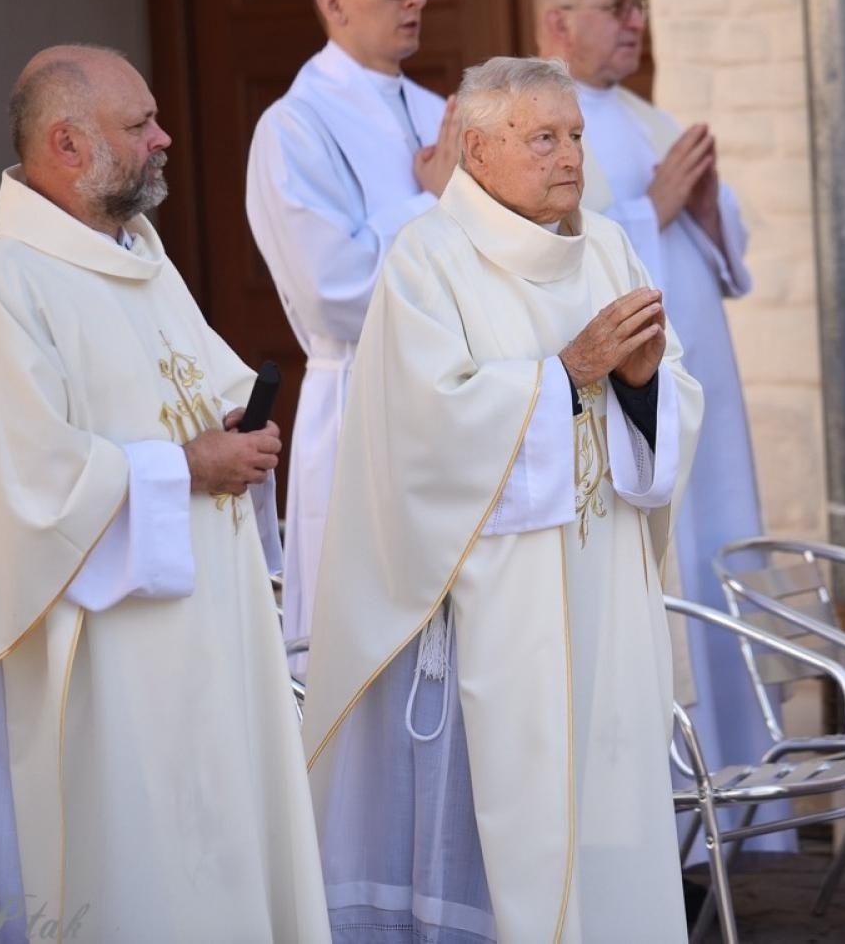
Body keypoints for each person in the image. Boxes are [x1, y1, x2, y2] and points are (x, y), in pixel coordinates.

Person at [0, 45, 330, 943]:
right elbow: (28, 492)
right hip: (104, 669)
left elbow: (188, 388)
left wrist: (237, 425)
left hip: (209, 638)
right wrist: (188, 468)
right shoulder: (6, 293)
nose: (165, 138)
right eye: (139, 125)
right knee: (139, 874)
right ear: (68, 145)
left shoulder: (141, 262)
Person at [301, 56, 702, 943]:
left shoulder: (605, 244)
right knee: (517, 829)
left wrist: (640, 386)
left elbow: (673, 389)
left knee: (613, 815)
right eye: (543, 138)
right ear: (476, 150)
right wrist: (569, 373)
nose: (570, 158)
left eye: (576, 136)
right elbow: (426, 430)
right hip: (500, 600)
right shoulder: (427, 260)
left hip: (605, 585)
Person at [533, 0, 772, 817]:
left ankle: (740, 805)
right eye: (616, 5)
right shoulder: (538, 121)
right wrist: (654, 208)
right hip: (622, 411)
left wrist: (703, 211)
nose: (637, 20)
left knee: (710, 559)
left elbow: (725, 256)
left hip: (699, 394)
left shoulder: (642, 113)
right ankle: (667, 813)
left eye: (638, 4)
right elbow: (550, 254)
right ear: (558, 21)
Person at [247, 0, 460, 670]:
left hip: (459, 407)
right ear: (332, 2)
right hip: (360, 401)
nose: (415, 0)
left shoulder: (444, 114)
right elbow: (332, 289)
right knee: (372, 657)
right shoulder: (294, 128)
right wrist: (426, 201)